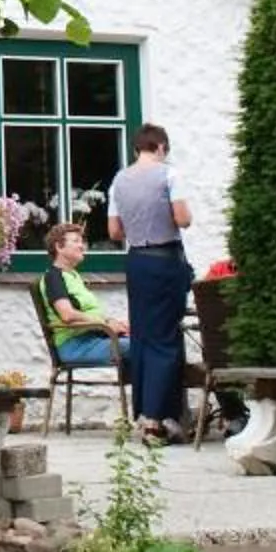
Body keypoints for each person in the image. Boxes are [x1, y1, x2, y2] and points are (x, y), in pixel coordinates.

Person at [105, 124, 191, 443]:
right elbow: (183, 219)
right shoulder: (169, 174)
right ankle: (157, 419)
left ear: (136, 149)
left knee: (143, 336)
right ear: (161, 147)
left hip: (136, 261)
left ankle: (147, 414)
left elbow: (115, 232)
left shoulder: (119, 180)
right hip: (164, 259)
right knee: (166, 338)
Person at [40, 222, 128, 369]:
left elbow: (86, 312)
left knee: (142, 340)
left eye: (82, 242)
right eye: (76, 241)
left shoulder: (73, 276)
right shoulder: (53, 278)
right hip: (75, 345)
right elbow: (67, 315)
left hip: (91, 339)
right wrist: (105, 325)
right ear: (59, 247)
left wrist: (114, 323)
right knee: (141, 346)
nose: (82, 246)